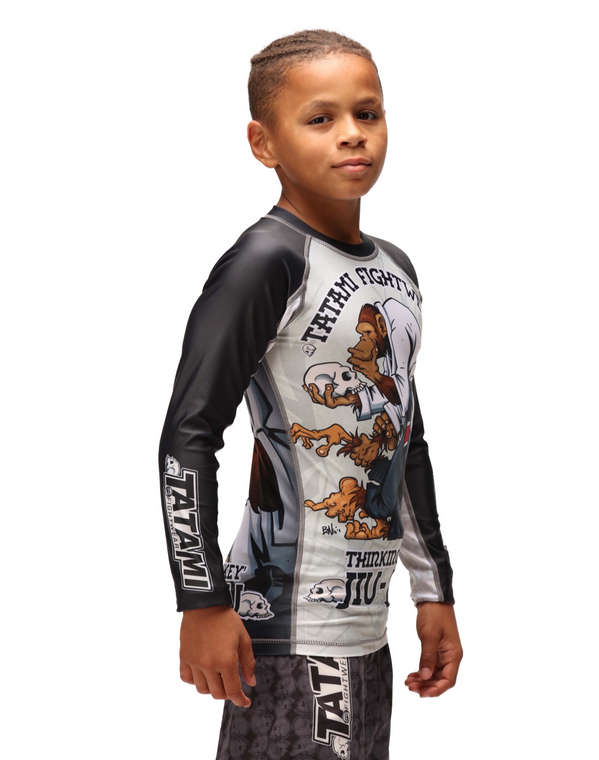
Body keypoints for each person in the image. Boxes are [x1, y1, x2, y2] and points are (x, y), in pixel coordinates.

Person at [159, 29, 463, 760]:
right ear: (264, 143)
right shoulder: (266, 260)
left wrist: (434, 590)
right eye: (321, 118)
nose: (352, 134)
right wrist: (201, 600)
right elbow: (189, 434)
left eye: (368, 113)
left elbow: (405, 437)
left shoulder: (396, 268)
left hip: (366, 623)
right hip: (284, 623)